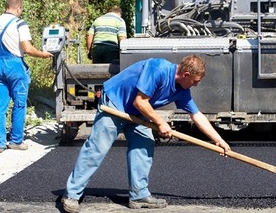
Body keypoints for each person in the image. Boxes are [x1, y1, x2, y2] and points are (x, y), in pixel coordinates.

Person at [61, 55, 231, 213]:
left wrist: (219, 140)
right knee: (97, 148)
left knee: (144, 144)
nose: (196, 85)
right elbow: (140, 101)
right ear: (186, 74)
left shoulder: (182, 90)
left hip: (139, 112)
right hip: (115, 103)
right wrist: (160, 122)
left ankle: (138, 195)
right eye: (195, 81)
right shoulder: (158, 68)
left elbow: (196, 115)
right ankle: (71, 195)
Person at [0, 0, 53, 153]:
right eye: (21, 10)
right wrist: (43, 54)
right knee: (19, 104)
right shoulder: (19, 23)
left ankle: (0, 143)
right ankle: (16, 140)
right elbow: (27, 49)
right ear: (18, 8)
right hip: (15, 67)